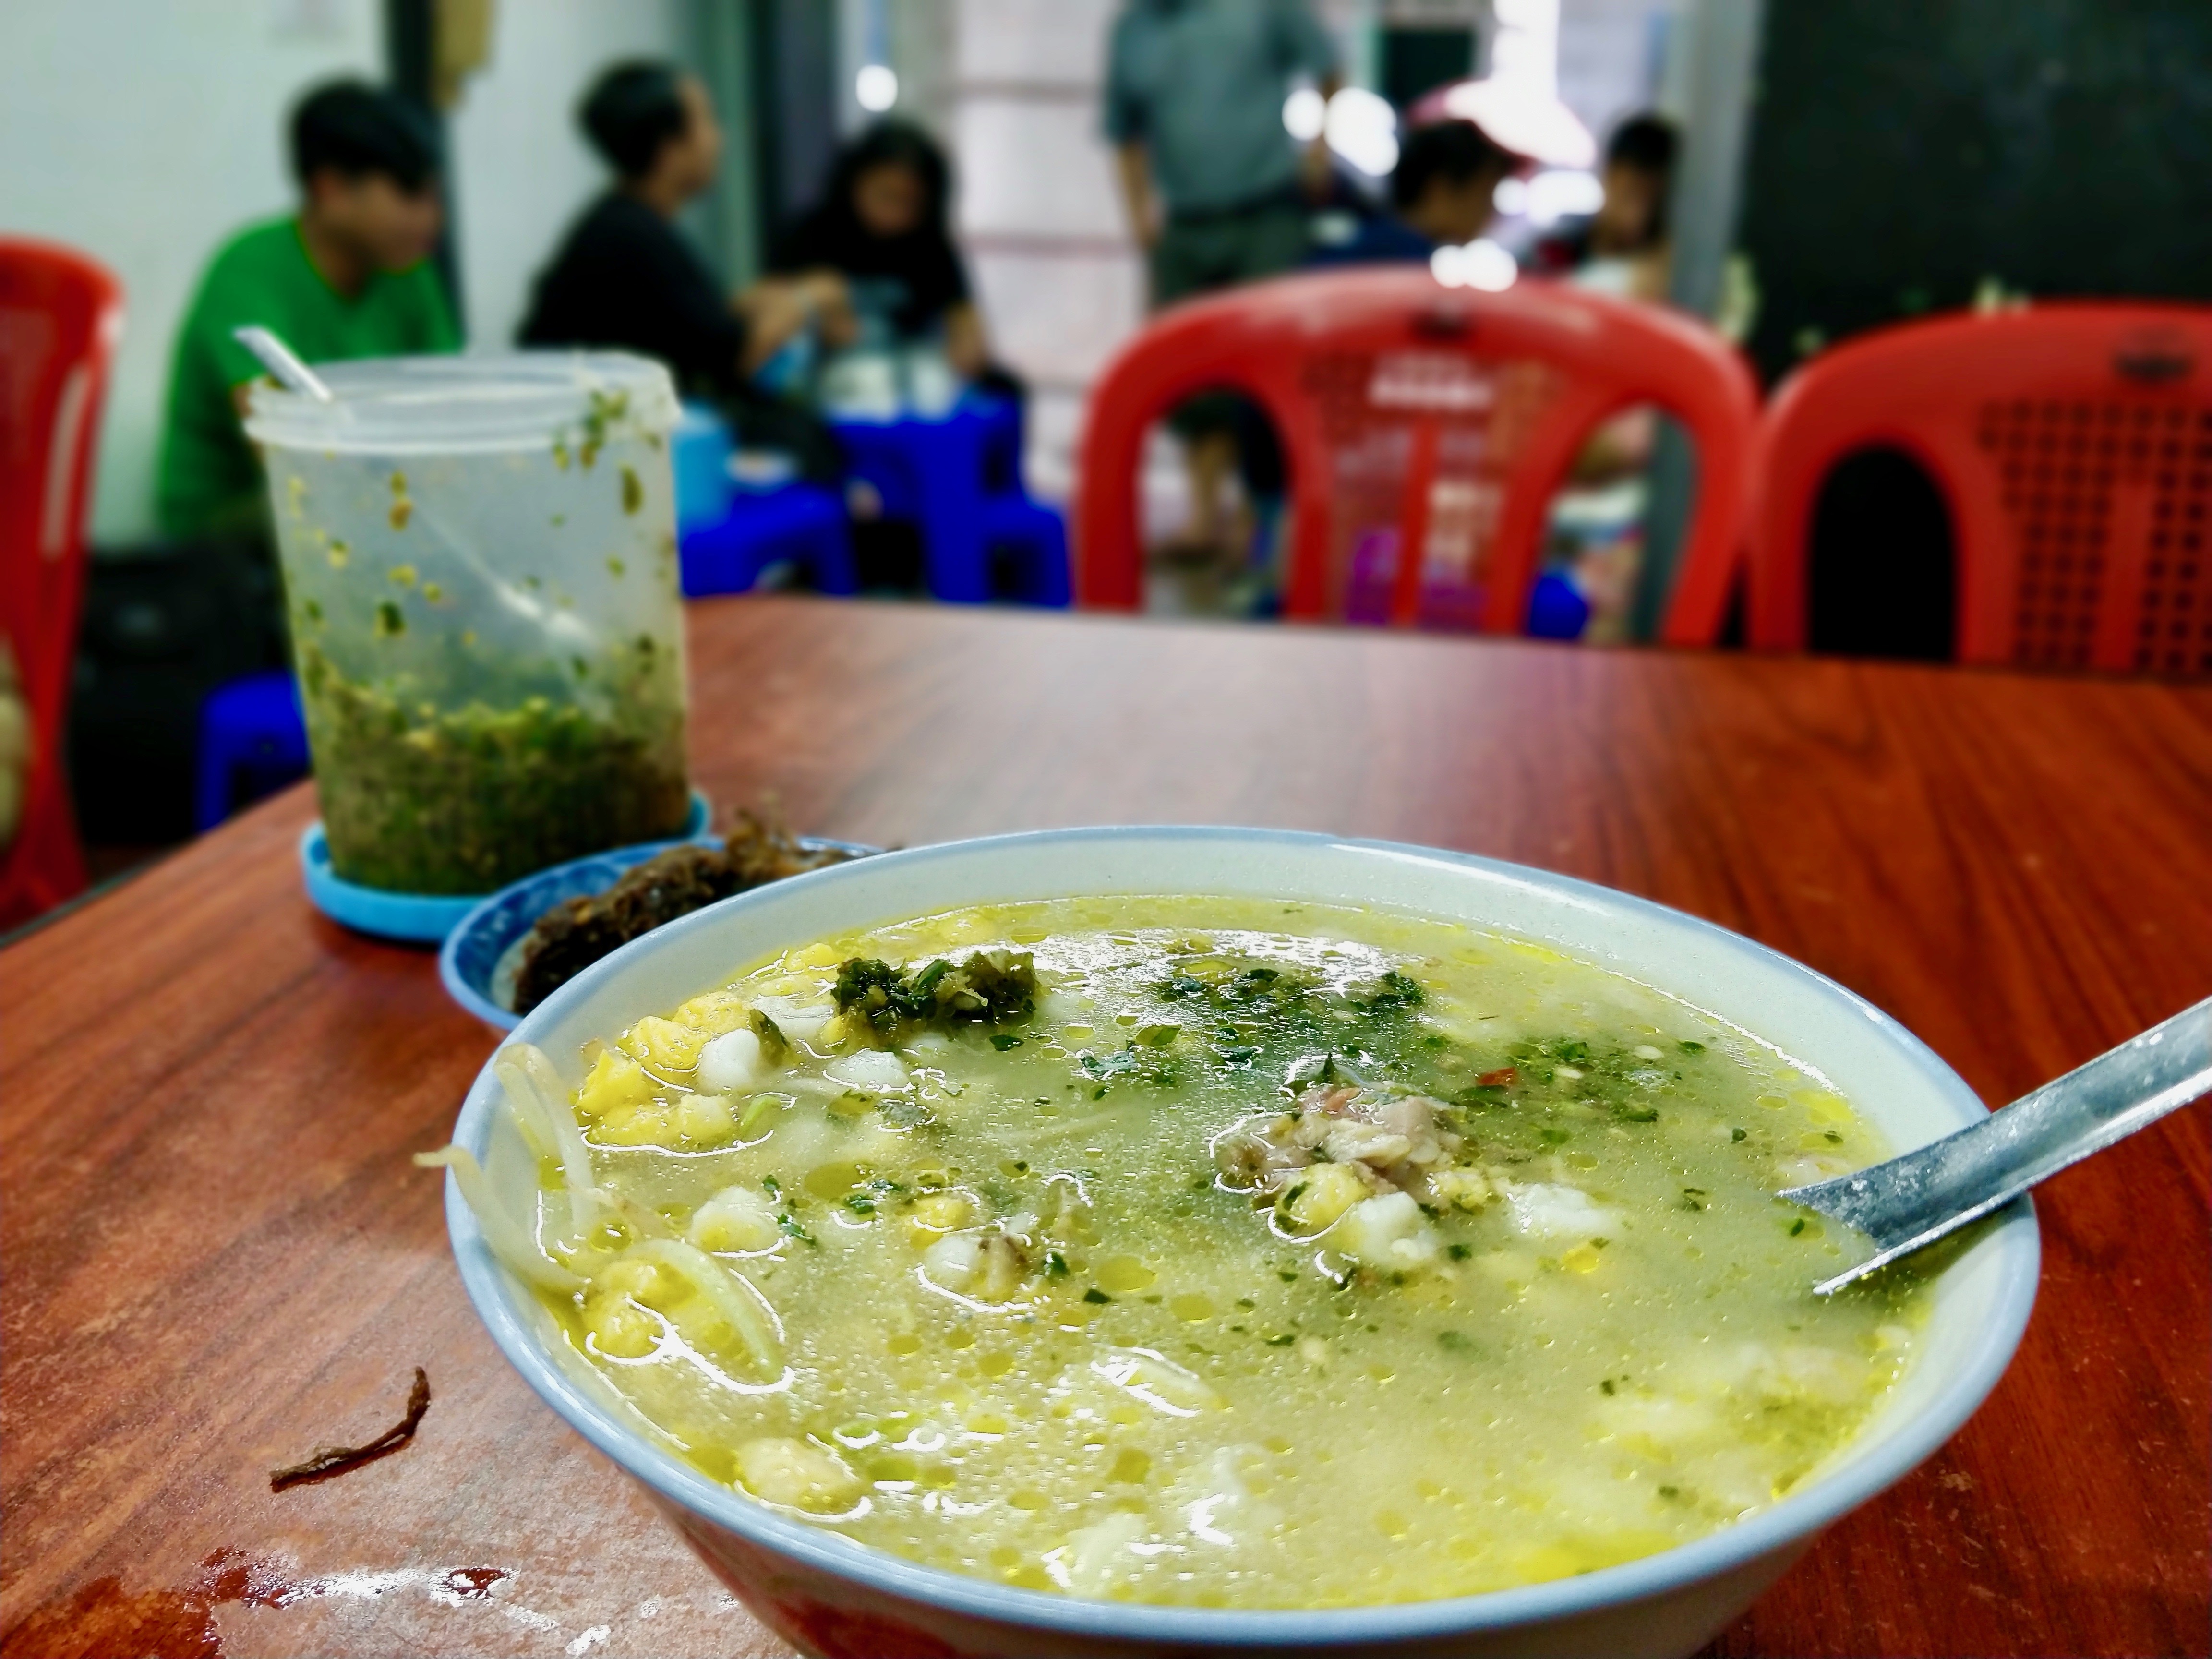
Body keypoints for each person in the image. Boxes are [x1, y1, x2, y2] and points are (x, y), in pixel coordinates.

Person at [156, 81, 458, 543]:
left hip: (370, 497)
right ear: (331, 188)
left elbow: (450, 410)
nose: (431, 219)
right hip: (228, 529)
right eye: (410, 195)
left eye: (436, 198)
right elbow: (288, 458)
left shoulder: (409, 272)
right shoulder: (249, 272)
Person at [1106, 0, 1343, 574]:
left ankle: (1257, 517)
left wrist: (1318, 148)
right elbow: (1124, 131)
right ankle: (1203, 515)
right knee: (1188, 380)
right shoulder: (1132, 28)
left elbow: (1329, 67)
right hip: (1184, 221)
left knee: (1269, 370)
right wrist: (1139, 213)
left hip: (1266, 210)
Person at [520, 62, 846, 401]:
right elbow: (737, 354)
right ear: (668, 147)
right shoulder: (630, 236)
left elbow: (703, 321)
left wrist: (774, 301)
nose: (719, 138)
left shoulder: (625, 223)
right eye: (707, 120)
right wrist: (811, 296)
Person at [769, 120, 990, 379]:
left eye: (909, 201)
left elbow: (967, 327)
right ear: (854, 183)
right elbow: (762, 316)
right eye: (885, 195)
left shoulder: (933, 249)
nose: (894, 214)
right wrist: (809, 302)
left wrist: (966, 346)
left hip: (909, 385)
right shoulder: (809, 236)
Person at [1309, 119, 1519, 267]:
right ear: (1439, 191)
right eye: (1486, 193)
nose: (1490, 210)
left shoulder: (1380, 242)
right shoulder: (1399, 261)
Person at [1530, 113, 1678, 299]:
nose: (1636, 215)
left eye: (1649, 201)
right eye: (1630, 195)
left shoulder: (1655, 269)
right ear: (1609, 176)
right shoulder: (1558, 248)